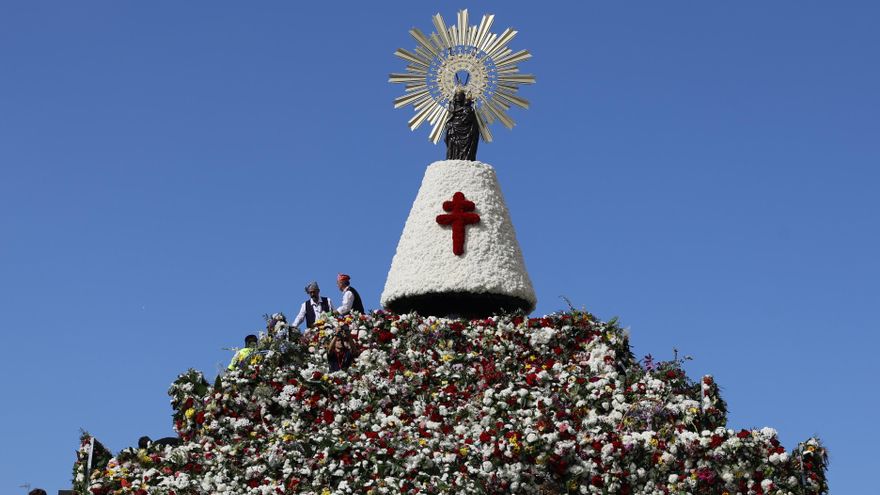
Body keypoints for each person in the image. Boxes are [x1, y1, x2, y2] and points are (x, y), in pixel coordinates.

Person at [445, 89, 479, 161]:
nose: (458, 99)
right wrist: (449, 125)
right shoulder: (451, 107)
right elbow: (448, 119)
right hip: (453, 128)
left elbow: (471, 121)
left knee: (466, 148)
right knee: (452, 143)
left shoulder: (468, 109)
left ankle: (466, 158)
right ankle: (452, 158)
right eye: (457, 97)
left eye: (460, 97)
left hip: (467, 130)